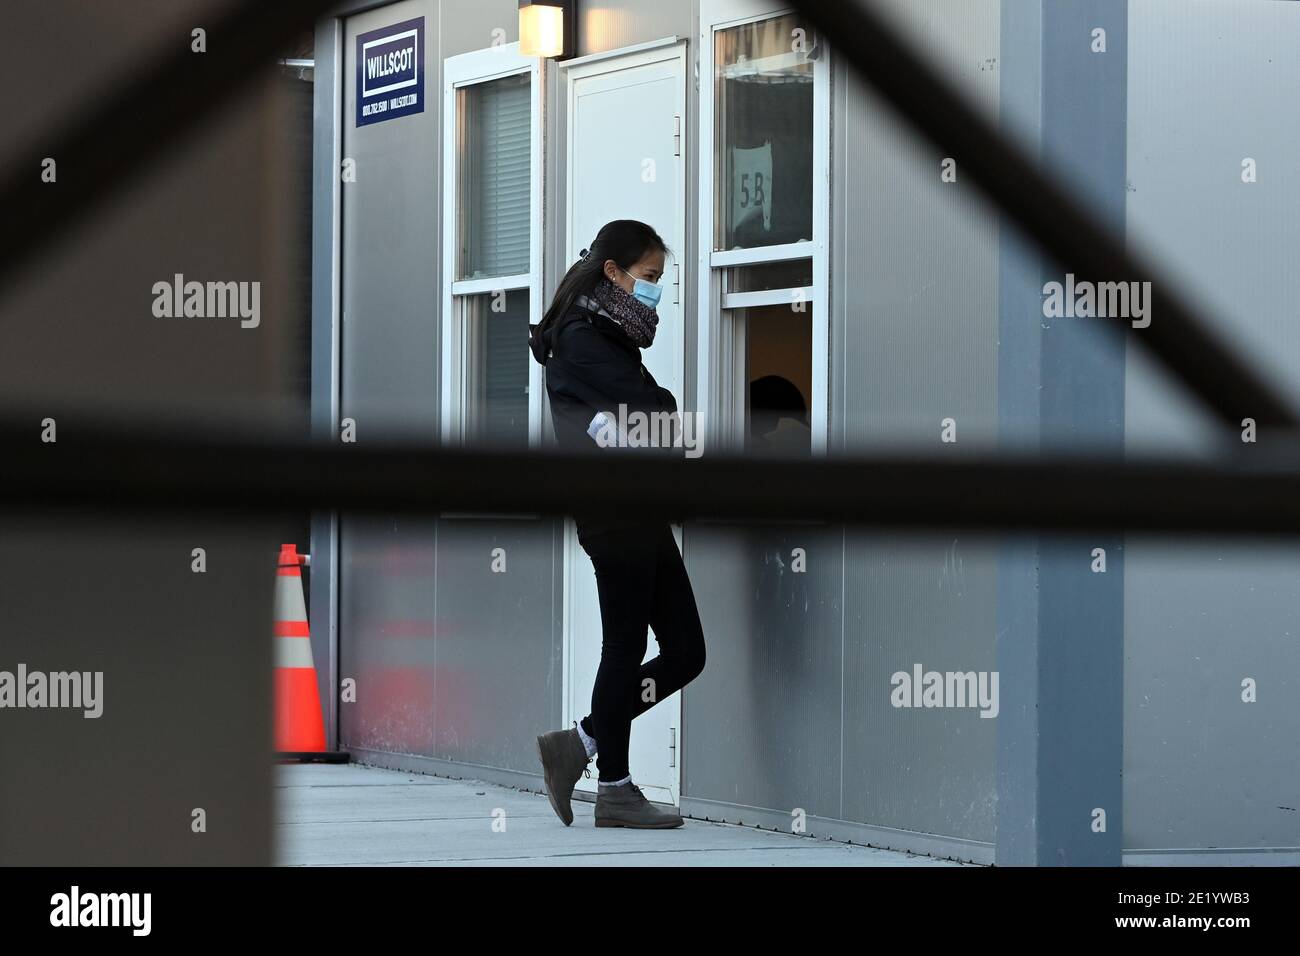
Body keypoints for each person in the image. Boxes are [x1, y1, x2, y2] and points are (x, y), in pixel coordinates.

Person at [528, 219, 706, 829]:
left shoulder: (606, 335)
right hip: (613, 509)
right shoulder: (582, 340)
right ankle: (616, 788)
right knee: (626, 646)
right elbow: (656, 411)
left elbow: (648, 419)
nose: (655, 291)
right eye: (650, 278)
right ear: (614, 272)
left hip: (638, 505)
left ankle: (580, 742)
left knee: (686, 651)